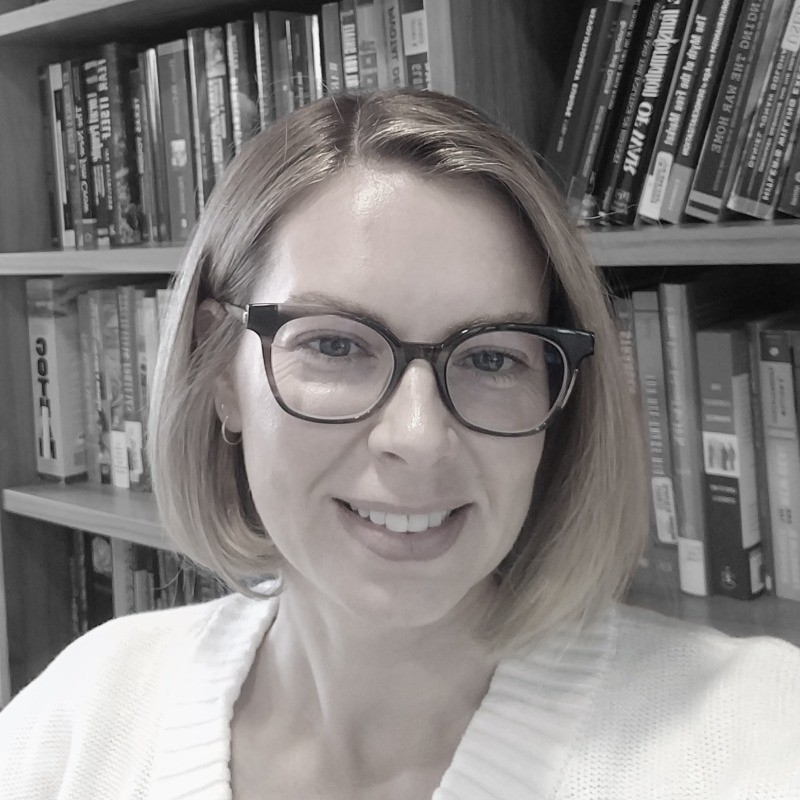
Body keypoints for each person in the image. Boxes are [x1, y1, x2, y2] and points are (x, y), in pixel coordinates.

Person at [1, 89, 799, 800]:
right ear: (219, 371)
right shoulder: (82, 715)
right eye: (335, 346)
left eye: (492, 359)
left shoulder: (756, 734)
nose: (418, 439)